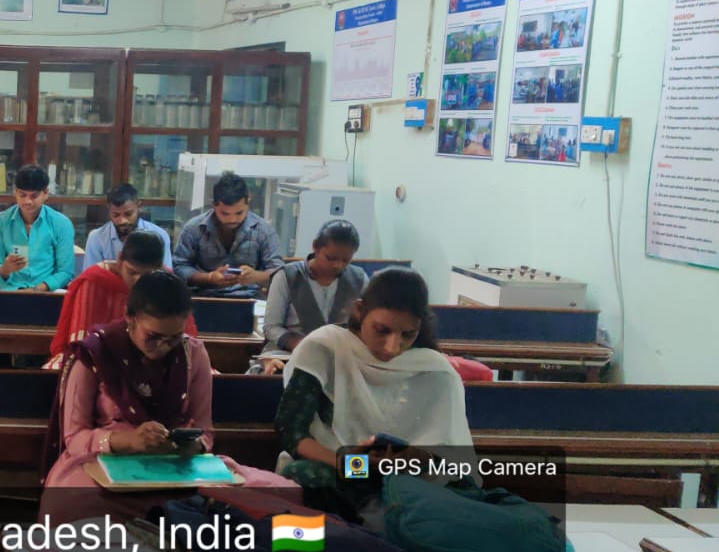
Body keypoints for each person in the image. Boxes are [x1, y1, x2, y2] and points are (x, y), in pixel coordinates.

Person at [43, 272, 294, 496]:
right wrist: (128, 440)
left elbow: (204, 431)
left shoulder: (192, 353)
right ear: (130, 317)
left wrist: (191, 444)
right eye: (153, 336)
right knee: (78, 503)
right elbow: (74, 438)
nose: (163, 347)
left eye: (174, 338)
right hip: (102, 463)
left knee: (278, 491)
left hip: (175, 465)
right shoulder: (95, 353)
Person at [273, 268, 477, 521]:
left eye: (408, 335)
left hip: (406, 478)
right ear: (360, 310)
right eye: (382, 330)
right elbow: (290, 431)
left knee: (456, 490)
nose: (392, 348)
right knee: (306, 475)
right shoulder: (324, 347)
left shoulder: (434, 369)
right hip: (341, 467)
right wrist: (350, 463)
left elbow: (448, 453)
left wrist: (414, 457)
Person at [48, 231, 195, 367]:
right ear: (119, 259)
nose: (138, 280)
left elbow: (182, 337)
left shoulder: (166, 283)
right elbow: (81, 342)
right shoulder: (94, 281)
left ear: (160, 268)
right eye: (132, 272)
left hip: (158, 358)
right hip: (100, 359)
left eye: (146, 275)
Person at [259, 220, 367, 369]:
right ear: (315, 247)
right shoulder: (287, 276)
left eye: (345, 260)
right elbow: (271, 327)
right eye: (331, 258)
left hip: (340, 356)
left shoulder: (359, 279)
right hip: (290, 352)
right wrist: (304, 346)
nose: (337, 265)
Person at [172, 171, 282, 298]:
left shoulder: (264, 230)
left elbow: (279, 273)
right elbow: (179, 266)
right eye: (225, 213)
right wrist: (209, 278)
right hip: (204, 297)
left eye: (239, 213)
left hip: (250, 298)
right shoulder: (193, 228)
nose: (232, 219)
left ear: (248, 201)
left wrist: (256, 277)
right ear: (213, 205)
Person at [0, 164, 75, 292]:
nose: (28, 201)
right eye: (22, 195)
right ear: (15, 192)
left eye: (34, 196)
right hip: (10, 293)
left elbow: (65, 272)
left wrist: (37, 290)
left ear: (45, 193)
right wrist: (5, 269)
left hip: (45, 294)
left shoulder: (61, 224)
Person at [81, 183, 172, 272]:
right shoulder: (96, 238)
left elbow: (165, 277)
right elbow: (91, 277)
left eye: (128, 214)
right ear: (108, 209)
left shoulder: (159, 235)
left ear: (139, 207)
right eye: (116, 215)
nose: (122, 221)